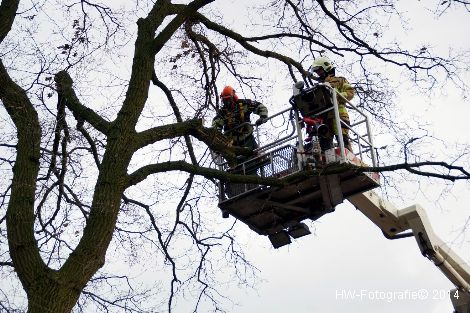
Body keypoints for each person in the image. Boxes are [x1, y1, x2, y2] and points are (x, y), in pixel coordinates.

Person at [309, 57, 355, 152]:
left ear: (326, 67)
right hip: (324, 117)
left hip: (339, 115)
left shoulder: (340, 80)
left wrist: (336, 96)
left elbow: (350, 93)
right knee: (325, 143)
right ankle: (327, 162)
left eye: (319, 70)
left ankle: (350, 158)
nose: (318, 73)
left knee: (343, 140)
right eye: (316, 71)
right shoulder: (317, 87)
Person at [212, 85, 268, 162]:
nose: (227, 102)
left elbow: (259, 106)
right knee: (237, 165)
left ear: (233, 97)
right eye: (225, 100)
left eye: (228, 99)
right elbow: (216, 126)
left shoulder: (244, 104)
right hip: (232, 144)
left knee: (255, 159)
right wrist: (217, 142)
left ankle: (260, 157)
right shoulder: (222, 113)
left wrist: (263, 117)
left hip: (247, 138)